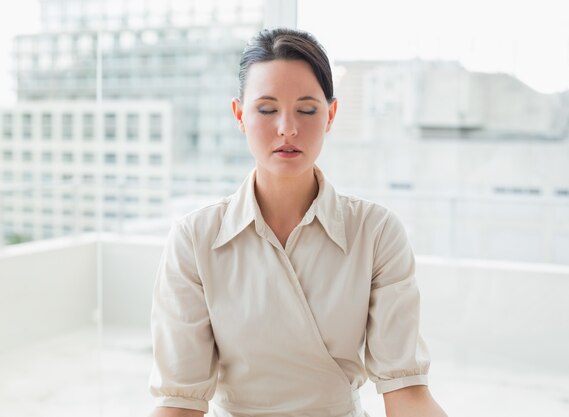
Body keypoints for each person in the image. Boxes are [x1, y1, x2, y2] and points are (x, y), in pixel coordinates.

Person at [148, 28, 447, 417]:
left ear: (331, 115)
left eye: (306, 109)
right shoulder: (195, 238)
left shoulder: (375, 232)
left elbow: (406, 392)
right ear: (239, 115)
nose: (287, 128)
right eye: (267, 109)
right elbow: (179, 404)